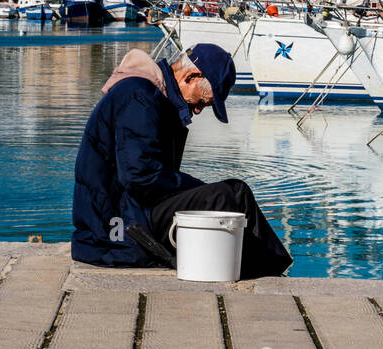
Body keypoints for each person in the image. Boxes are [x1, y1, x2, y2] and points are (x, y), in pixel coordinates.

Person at [72, 44, 292, 278]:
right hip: (115, 230)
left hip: (130, 214)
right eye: (202, 102)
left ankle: (270, 269)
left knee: (231, 194)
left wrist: (198, 191)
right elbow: (140, 176)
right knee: (228, 195)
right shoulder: (139, 97)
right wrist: (202, 190)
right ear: (190, 77)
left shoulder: (149, 96)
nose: (197, 111)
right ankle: (273, 272)